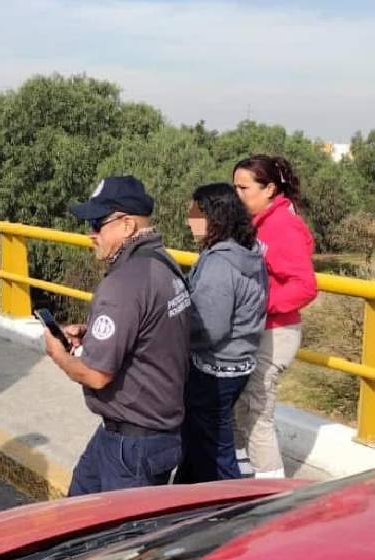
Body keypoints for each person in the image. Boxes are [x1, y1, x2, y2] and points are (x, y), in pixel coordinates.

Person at [43, 175, 192, 496]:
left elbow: (96, 376)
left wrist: (59, 355)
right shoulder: (163, 263)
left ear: (127, 226)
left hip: (131, 448)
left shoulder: (124, 282)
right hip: (146, 434)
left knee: (123, 543)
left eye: (98, 223)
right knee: (76, 518)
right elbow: (151, 331)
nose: (90, 235)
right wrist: (93, 334)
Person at [230, 154, 318, 478]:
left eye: (244, 188)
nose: (237, 195)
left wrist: (257, 304)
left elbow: (304, 286)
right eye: (234, 187)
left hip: (274, 333)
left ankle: (270, 489)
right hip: (257, 330)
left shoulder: (282, 226)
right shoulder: (259, 223)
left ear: (269, 189)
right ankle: (242, 476)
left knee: (256, 411)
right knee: (239, 405)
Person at [174, 183, 267, 483]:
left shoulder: (218, 265)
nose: (189, 220)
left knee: (216, 452)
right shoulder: (249, 255)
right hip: (237, 364)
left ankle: (232, 513)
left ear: (215, 218)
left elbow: (210, 329)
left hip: (213, 371)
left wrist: (173, 337)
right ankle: (184, 498)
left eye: (195, 213)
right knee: (197, 441)